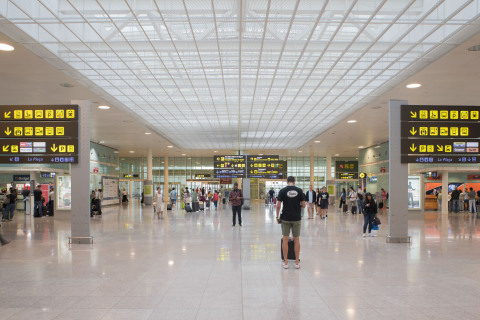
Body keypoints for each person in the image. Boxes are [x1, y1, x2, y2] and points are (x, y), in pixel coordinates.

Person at [275, 176, 305, 269]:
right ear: (294, 182)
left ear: (287, 182)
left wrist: (277, 216)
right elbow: (303, 205)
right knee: (296, 239)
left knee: (285, 239)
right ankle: (296, 262)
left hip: (285, 218)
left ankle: (286, 262)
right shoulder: (299, 190)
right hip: (296, 218)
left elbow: (278, 205)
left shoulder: (282, 191)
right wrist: (296, 204)